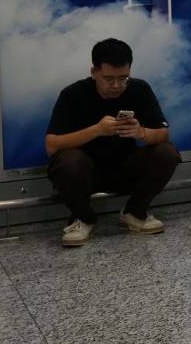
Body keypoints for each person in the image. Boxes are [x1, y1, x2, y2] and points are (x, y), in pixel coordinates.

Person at [45, 38, 180, 247]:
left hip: (125, 167)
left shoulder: (139, 89)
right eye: (108, 79)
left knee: (167, 153)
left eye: (123, 78)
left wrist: (141, 132)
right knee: (67, 161)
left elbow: (163, 135)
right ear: (94, 72)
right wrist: (96, 130)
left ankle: (134, 213)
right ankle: (83, 219)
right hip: (85, 173)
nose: (116, 85)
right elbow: (52, 145)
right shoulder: (72, 94)